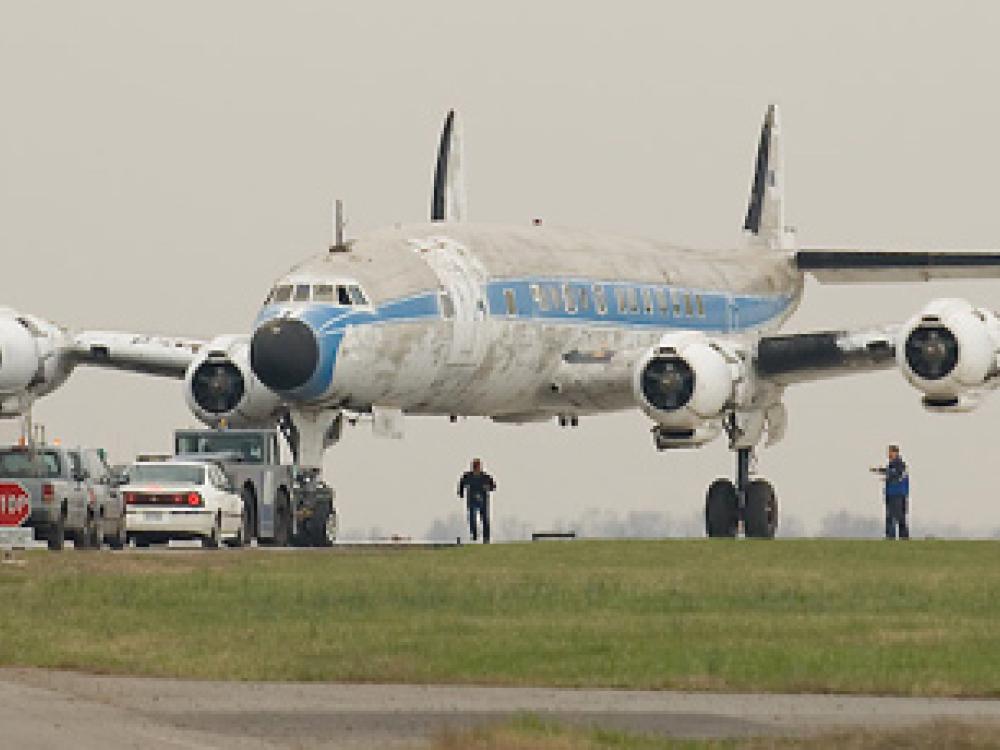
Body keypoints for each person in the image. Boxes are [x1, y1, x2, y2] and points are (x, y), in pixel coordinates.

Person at [871, 444, 910, 540]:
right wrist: (879, 470)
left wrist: (887, 477)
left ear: (895, 452)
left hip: (897, 493)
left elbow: (896, 474)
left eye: (890, 452)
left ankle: (895, 535)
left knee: (895, 516)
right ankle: (897, 535)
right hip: (892, 493)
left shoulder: (899, 464)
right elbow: (889, 472)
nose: (888, 454)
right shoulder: (892, 464)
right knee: (893, 515)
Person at [457, 458, 496, 543]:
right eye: (474, 467)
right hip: (472, 500)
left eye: (477, 467)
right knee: (472, 518)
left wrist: (488, 488)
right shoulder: (467, 476)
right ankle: (474, 533)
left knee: (485, 518)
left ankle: (486, 537)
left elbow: (493, 486)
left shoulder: (485, 477)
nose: (476, 469)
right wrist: (461, 493)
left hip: (483, 500)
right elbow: (461, 483)